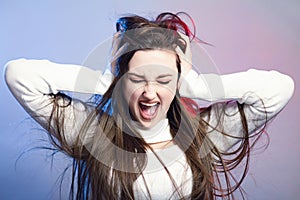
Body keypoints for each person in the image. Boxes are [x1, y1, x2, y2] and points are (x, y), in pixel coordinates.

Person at [4, 12, 294, 200]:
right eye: (137, 79)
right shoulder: (92, 132)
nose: (150, 92)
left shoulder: (205, 134)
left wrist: (196, 85)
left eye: (163, 80)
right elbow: (19, 75)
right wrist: (105, 79)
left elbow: (279, 89)